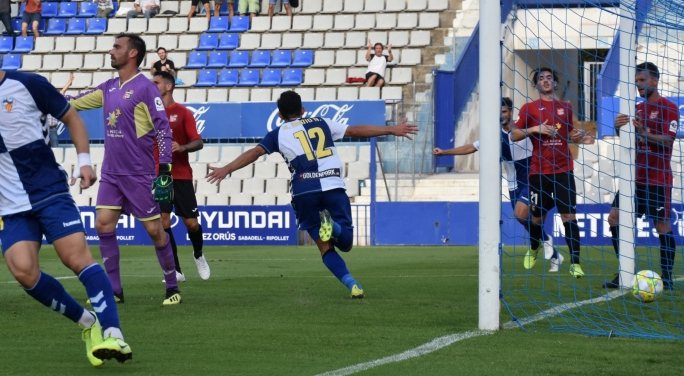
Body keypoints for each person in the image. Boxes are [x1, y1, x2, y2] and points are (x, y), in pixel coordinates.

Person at [0, 23, 130, 366]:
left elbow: (72, 118)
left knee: (76, 259)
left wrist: (85, 162)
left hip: (49, 191)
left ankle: (114, 334)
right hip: (12, 206)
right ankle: (87, 323)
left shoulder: (28, 85)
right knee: (23, 272)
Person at [206, 91, 419, 298]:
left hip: (303, 192)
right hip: (332, 185)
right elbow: (354, 130)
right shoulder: (322, 122)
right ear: (303, 109)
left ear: (279, 116)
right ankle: (334, 227)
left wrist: (226, 169)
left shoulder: (277, 134)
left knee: (325, 248)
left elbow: (255, 152)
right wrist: (391, 130)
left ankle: (353, 284)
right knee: (346, 244)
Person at [67, 33, 181, 306]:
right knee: (103, 224)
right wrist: (48, 99)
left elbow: (163, 129)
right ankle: (115, 290)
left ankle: (172, 285)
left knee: (155, 231)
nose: (111, 50)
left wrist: (164, 170)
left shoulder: (145, 88)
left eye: (117, 47)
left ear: (132, 54)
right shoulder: (108, 87)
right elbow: (76, 101)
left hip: (139, 175)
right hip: (111, 174)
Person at [433, 98, 562, 271]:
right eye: (498, 113)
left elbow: (547, 138)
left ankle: (545, 240)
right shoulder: (493, 135)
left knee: (521, 214)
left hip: (532, 178)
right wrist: (445, 153)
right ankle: (553, 253)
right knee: (524, 219)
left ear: (510, 112)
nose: (501, 116)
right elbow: (471, 147)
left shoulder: (523, 129)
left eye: (504, 112)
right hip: (513, 183)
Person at [511, 67, 595, 278]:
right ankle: (534, 247)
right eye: (541, 78)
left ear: (555, 83)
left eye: (549, 78)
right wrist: (534, 129)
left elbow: (570, 133)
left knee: (569, 217)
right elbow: (513, 135)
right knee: (537, 219)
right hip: (539, 174)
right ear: (536, 84)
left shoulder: (565, 107)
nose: (546, 81)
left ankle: (575, 263)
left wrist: (581, 137)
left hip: (564, 171)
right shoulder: (529, 108)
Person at [603, 62, 678, 290]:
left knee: (662, 226)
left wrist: (645, 132)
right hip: (634, 179)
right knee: (614, 219)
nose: (639, 85)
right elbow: (629, 138)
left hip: (657, 179)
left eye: (643, 80)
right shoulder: (636, 108)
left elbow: (668, 141)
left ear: (655, 81)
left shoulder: (669, 107)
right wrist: (619, 127)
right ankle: (626, 272)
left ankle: (666, 278)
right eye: (637, 81)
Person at [151, 71, 210, 282]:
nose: (152, 85)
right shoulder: (149, 114)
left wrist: (182, 147)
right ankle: (176, 270)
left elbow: (198, 142)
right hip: (160, 177)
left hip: (182, 175)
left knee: (192, 224)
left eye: (155, 82)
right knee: (163, 222)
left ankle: (198, 255)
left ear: (168, 86)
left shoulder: (183, 113)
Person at [45, 74, 74, 148]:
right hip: (45, 129)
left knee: (55, 148)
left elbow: (63, 91)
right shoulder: (43, 99)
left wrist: (70, 81)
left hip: (53, 129)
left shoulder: (56, 98)